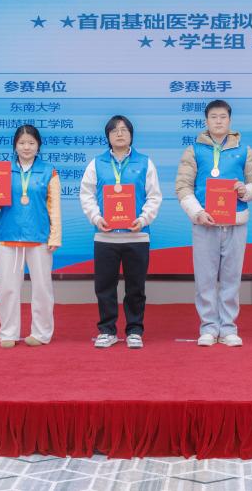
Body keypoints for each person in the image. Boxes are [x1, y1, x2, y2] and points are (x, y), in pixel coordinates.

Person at [175, 99, 252, 347]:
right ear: (206, 121)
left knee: (231, 278)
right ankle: (208, 327)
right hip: (205, 222)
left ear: (230, 120)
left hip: (235, 222)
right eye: (213, 117)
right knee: (205, 279)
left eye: (223, 117)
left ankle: (228, 328)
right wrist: (197, 212)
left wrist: (245, 191)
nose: (218, 121)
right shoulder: (193, 151)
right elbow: (183, 186)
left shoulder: (244, 150)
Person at [79, 115, 162, 349]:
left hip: (137, 236)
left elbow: (154, 196)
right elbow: (86, 195)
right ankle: (107, 330)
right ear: (107, 136)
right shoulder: (96, 164)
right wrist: (96, 218)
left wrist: (143, 219)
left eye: (124, 129)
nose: (119, 134)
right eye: (114, 130)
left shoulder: (145, 163)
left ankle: (135, 330)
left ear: (131, 135)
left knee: (136, 287)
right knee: (105, 287)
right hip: (105, 236)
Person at [0, 124, 60, 348]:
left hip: (39, 237)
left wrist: (55, 236)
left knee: (42, 288)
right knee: (7, 288)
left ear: (38, 145)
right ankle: (8, 333)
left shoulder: (49, 171)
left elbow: (54, 207)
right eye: (22, 143)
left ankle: (41, 333)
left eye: (31, 143)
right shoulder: (2, 171)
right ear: (15, 146)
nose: (26, 147)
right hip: (9, 236)